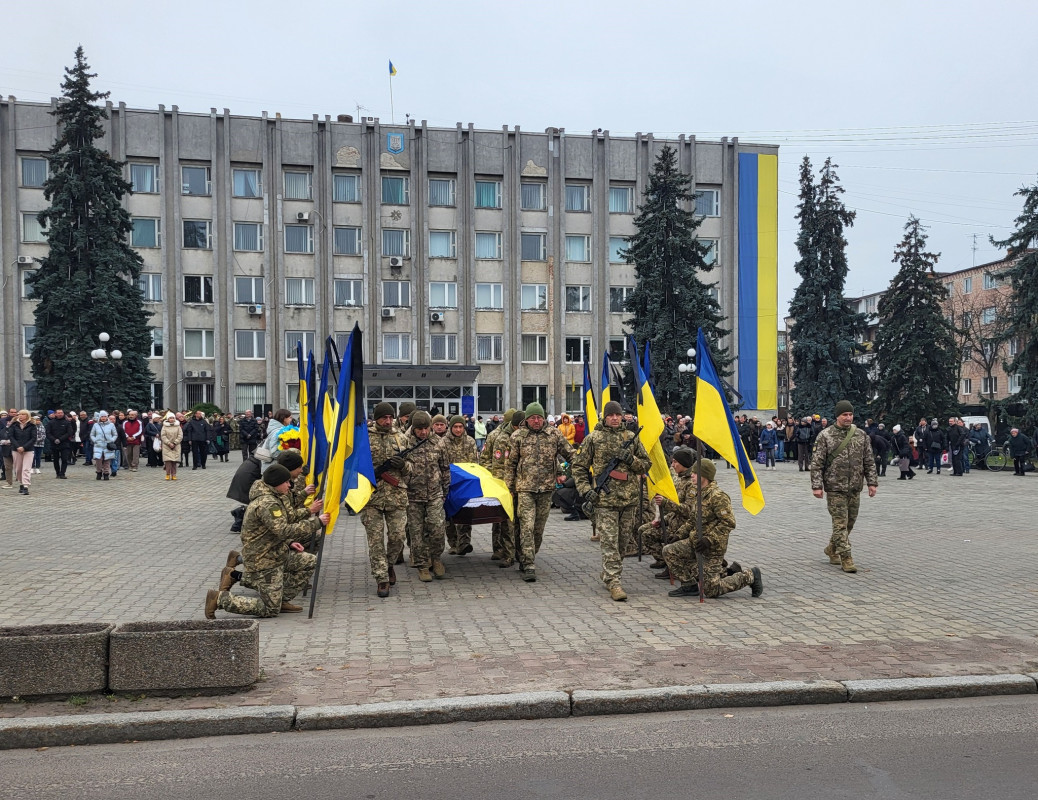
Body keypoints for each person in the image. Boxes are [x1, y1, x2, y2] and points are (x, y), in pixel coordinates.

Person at [205, 463, 329, 619]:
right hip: (264, 560)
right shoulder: (267, 503)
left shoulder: (274, 496)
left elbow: (284, 521)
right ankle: (219, 599)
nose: (289, 485)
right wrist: (317, 522)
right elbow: (283, 529)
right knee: (270, 609)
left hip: (275, 552)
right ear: (276, 483)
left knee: (310, 561)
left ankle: (280, 598)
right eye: (286, 482)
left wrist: (290, 542)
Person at [572, 400, 650, 602]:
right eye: (610, 415)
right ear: (604, 417)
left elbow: (646, 465)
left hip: (629, 499)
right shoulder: (594, 439)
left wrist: (631, 459)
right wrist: (585, 489)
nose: (614, 418)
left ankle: (609, 573)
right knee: (609, 542)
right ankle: (615, 582)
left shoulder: (631, 438)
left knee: (623, 544)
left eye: (617, 415)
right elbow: (579, 467)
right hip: (605, 500)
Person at [663, 458, 763, 599]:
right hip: (695, 542)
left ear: (704, 475)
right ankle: (689, 585)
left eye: (695, 473)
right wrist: (679, 535)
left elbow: (728, 523)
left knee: (711, 590)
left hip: (712, 548)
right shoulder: (699, 493)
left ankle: (749, 575)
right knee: (669, 551)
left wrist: (709, 539)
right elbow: (693, 519)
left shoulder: (718, 496)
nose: (691, 475)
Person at [504, 402, 575, 582]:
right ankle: (528, 564)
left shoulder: (553, 434)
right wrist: (509, 488)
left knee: (538, 529)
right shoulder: (517, 436)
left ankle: (526, 555)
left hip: (546, 488)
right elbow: (510, 464)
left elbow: (569, 453)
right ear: (527, 419)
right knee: (526, 525)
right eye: (533, 418)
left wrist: (584, 464)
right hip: (525, 488)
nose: (536, 421)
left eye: (539, 417)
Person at [809, 400, 878, 573]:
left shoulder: (861, 435)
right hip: (835, 488)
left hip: (855, 487)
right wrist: (817, 486)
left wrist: (872, 482)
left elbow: (869, 461)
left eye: (850, 414)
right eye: (844, 415)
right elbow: (817, 463)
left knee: (849, 524)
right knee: (840, 524)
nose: (848, 418)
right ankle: (846, 557)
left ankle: (832, 549)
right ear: (837, 416)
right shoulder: (825, 436)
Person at [362, 402, 412, 598]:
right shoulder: (364, 438)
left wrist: (403, 466)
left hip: (396, 495)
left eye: (391, 417)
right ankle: (381, 577)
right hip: (371, 496)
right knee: (375, 541)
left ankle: (389, 564)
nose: (388, 421)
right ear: (376, 418)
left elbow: (411, 469)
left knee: (398, 537)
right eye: (384, 417)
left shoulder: (400, 438)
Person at [403, 410, 451, 582]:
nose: (423, 432)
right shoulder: (404, 443)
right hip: (413, 496)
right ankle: (423, 565)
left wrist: (445, 491)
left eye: (426, 428)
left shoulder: (438, 443)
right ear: (413, 428)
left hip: (435, 494)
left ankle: (436, 559)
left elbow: (445, 468)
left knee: (437, 528)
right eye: (419, 429)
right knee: (416, 533)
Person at [480, 408, 524, 564]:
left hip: (521, 484)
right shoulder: (497, 437)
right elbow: (488, 460)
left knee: (517, 521)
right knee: (501, 520)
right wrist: (495, 482)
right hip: (503, 484)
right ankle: (501, 550)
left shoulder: (523, 436)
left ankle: (516, 551)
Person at [442, 415, 478, 555]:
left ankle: (464, 542)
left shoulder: (470, 442)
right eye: (455, 427)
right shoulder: (443, 442)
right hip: (449, 483)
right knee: (450, 514)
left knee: (465, 512)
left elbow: (474, 463)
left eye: (460, 427)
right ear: (450, 427)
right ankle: (453, 542)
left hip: (465, 483)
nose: (458, 430)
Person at [9, 410, 37, 495]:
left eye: (23, 414)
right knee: (18, 468)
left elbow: (33, 438)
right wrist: (18, 446)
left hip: (28, 450)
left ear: (27, 416)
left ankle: (26, 486)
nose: (20, 416)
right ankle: (21, 482)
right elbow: (11, 436)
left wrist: (24, 447)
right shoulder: (14, 425)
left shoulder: (32, 425)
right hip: (16, 449)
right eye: (20, 414)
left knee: (26, 468)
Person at [90, 411, 119, 480]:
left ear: (107, 417)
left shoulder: (111, 425)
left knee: (107, 460)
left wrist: (111, 440)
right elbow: (92, 434)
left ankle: (106, 473)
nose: (103, 418)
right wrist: (95, 440)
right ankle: (99, 472)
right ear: (100, 417)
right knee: (98, 460)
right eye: (102, 416)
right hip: (98, 445)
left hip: (107, 445)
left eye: (105, 416)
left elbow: (115, 434)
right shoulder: (96, 425)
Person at [48, 408, 76, 479]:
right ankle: (57, 473)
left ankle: (62, 473)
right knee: (56, 459)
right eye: (58, 413)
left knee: (64, 459)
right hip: (54, 443)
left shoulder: (67, 422)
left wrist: (60, 439)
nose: (60, 414)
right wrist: (54, 439)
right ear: (55, 414)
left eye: (61, 413)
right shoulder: (51, 422)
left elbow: (70, 432)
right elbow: (48, 433)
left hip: (64, 443)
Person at [160, 412, 184, 480]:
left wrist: (175, 442)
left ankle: (174, 474)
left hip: (176, 445)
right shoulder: (164, 426)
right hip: (167, 445)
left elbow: (180, 435)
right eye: (170, 418)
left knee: (174, 461)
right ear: (168, 419)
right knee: (168, 461)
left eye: (173, 418)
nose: (172, 419)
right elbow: (163, 436)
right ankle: (167, 474)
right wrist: (169, 443)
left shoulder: (178, 426)